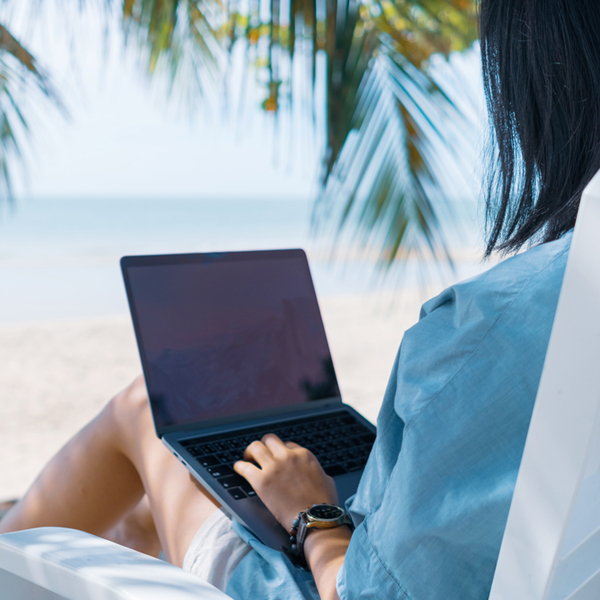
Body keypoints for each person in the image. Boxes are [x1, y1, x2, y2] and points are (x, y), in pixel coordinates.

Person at [2, 1, 600, 598]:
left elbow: (365, 591)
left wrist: (313, 514)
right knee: (161, 507)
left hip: (313, 581)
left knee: (140, 409)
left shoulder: (492, 326)